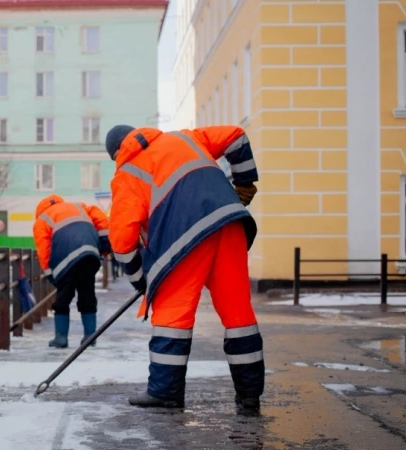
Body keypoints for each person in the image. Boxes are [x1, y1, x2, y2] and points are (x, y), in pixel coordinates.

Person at [104, 124, 263, 411]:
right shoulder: (184, 137)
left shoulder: (127, 173)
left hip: (183, 238)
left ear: (117, 153)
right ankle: (250, 396)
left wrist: (141, 281)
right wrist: (244, 182)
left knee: (172, 315)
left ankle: (166, 392)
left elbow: (122, 241)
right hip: (229, 223)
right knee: (239, 315)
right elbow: (235, 136)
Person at [33, 194, 111, 348]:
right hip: (89, 253)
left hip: (64, 259)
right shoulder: (79, 205)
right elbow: (101, 219)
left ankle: (61, 338)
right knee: (87, 294)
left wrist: (50, 274)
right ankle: (90, 337)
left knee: (63, 297)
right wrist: (104, 246)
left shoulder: (42, 220)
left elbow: (44, 249)